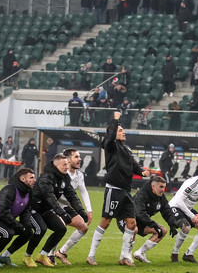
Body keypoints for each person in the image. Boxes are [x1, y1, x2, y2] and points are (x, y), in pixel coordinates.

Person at [87, 111, 150, 266]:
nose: (124, 132)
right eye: (121, 130)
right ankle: (91, 255)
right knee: (106, 221)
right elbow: (108, 138)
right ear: (114, 132)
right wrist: (115, 120)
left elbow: (134, 165)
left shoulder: (125, 148)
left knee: (131, 223)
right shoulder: (110, 146)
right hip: (114, 189)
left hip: (126, 191)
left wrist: (141, 171)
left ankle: (124, 256)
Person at [27, 154, 85, 267]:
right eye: (64, 165)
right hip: (34, 208)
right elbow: (50, 197)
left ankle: (42, 255)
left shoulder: (65, 177)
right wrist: (61, 213)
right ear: (56, 165)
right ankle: (27, 256)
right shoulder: (47, 177)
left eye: (67, 164)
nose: (66, 167)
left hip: (47, 209)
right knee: (41, 229)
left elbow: (72, 195)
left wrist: (81, 211)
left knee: (61, 229)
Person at [123, 176, 179, 263]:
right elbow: (140, 213)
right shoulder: (142, 195)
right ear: (153, 187)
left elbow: (166, 210)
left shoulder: (161, 197)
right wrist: (153, 225)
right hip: (127, 218)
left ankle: (140, 253)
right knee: (134, 229)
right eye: (161, 187)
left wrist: (172, 224)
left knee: (162, 230)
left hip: (142, 221)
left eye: (164, 187)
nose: (163, 190)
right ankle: (127, 255)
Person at [0, 168, 37, 267]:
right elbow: (3, 212)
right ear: (23, 179)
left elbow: (26, 211)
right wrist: (18, 225)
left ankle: (5, 256)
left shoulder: (29, 191)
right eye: (31, 178)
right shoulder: (10, 189)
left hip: (6, 219)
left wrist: (26, 225)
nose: (34, 180)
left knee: (28, 232)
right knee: (8, 233)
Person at [168, 163, 198, 263]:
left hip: (188, 209)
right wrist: (192, 216)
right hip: (175, 206)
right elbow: (179, 201)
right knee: (186, 227)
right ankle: (174, 253)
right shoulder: (193, 183)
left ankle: (189, 254)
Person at [54, 149, 94, 264]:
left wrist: (89, 210)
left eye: (79, 156)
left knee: (83, 227)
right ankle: (49, 255)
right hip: (54, 206)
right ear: (68, 159)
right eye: (76, 157)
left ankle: (62, 252)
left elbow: (84, 192)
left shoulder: (79, 175)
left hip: (67, 207)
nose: (80, 159)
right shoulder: (61, 173)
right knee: (59, 228)